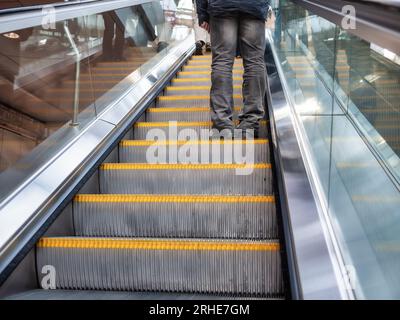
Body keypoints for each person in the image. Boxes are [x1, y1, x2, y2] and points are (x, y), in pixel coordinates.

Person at [196, 0, 270, 138]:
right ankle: (251, 123)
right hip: (254, 6)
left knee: (222, 62)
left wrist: (202, 13)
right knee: (254, 62)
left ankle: (222, 123)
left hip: (222, 6)